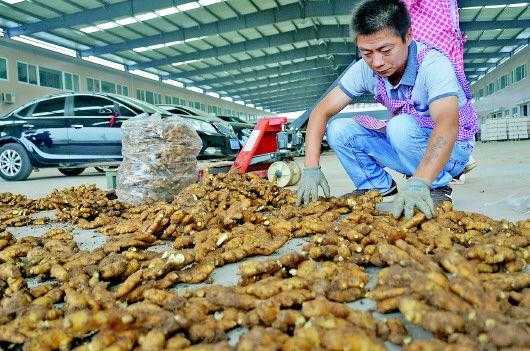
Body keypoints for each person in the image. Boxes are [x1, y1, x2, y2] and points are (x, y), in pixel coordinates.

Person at [296, 0, 478, 220]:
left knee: (399, 125)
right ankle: (376, 188)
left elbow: (447, 125)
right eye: (366, 52)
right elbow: (321, 111)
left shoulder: (433, 64)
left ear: (408, 37)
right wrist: (310, 168)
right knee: (339, 129)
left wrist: (419, 181)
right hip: (410, 145)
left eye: (385, 50)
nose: (377, 62)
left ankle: (436, 187)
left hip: (453, 150)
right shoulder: (365, 69)